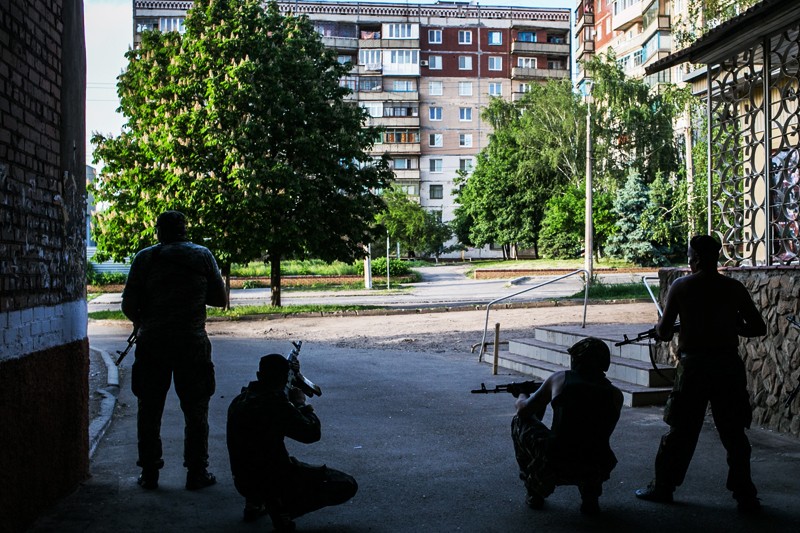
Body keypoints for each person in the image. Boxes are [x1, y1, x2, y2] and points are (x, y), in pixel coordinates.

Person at [635, 234, 767, 513]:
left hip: (693, 368)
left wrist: (667, 329)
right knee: (734, 434)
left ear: (694, 259)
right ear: (716, 257)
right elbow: (757, 328)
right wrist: (733, 326)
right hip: (728, 366)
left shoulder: (681, 287)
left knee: (681, 431)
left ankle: (663, 487)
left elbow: (664, 329)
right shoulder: (733, 288)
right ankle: (745, 496)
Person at [121, 210, 227, 490]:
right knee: (196, 410)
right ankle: (196, 472)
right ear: (184, 230)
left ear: (159, 231)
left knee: (149, 409)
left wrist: (145, 319)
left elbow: (128, 305)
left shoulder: (145, 257)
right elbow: (220, 298)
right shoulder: (202, 255)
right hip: (191, 343)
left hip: (152, 343)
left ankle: (150, 474)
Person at [227, 354, 358, 531]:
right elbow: (312, 434)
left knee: (256, 459)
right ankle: (282, 510)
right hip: (275, 479)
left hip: (243, 481)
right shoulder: (276, 405)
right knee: (346, 484)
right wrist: (301, 404)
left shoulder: (239, 401)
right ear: (283, 378)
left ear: (259, 376)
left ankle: (255, 503)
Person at [512, 337, 624, 515]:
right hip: (596, 462)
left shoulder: (560, 379)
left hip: (557, 459)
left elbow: (524, 411)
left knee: (519, 422)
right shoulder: (615, 395)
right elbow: (602, 433)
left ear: (577, 359)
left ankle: (535, 490)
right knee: (590, 444)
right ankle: (590, 497)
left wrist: (522, 393)